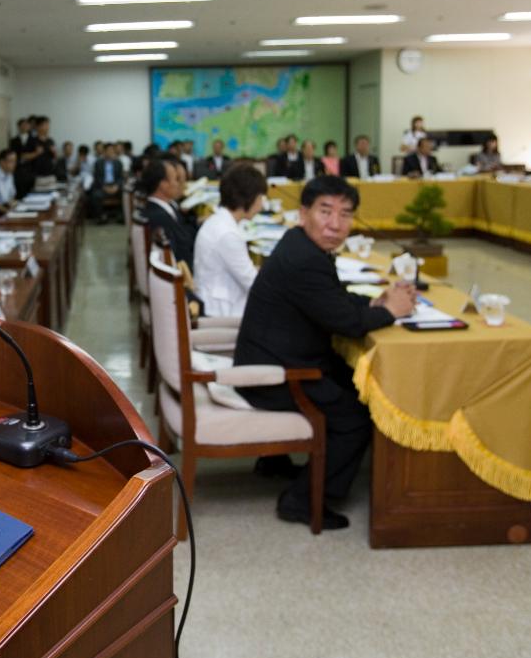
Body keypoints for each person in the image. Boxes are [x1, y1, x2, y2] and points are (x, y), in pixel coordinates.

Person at [234, 176, 417, 530]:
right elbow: (346, 322)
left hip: (275, 356)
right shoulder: (305, 258)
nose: (336, 224)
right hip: (274, 374)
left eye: (346, 214)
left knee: (352, 382)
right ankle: (301, 501)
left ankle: (273, 462)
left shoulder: (300, 243)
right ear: (304, 213)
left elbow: (332, 299)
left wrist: (374, 302)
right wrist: (390, 311)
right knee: (355, 419)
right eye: (326, 211)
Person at [194, 165, 266, 317]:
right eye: (260, 198)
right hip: (223, 314)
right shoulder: (228, 235)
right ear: (248, 197)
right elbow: (254, 285)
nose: (262, 205)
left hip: (217, 301)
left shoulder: (218, 221)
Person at [140, 157, 196, 267]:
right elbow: (183, 250)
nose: (179, 184)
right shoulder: (160, 217)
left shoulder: (163, 207)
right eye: (176, 179)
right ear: (163, 184)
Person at [89, 142, 125, 223]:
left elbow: (120, 178)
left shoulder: (118, 163)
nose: (111, 152)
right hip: (103, 187)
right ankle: (101, 217)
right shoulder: (98, 163)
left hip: (115, 186)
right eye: (108, 150)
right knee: (96, 195)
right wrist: (104, 187)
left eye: (112, 150)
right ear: (104, 152)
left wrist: (117, 186)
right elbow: (97, 177)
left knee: (125, 194)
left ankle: (121, 216)